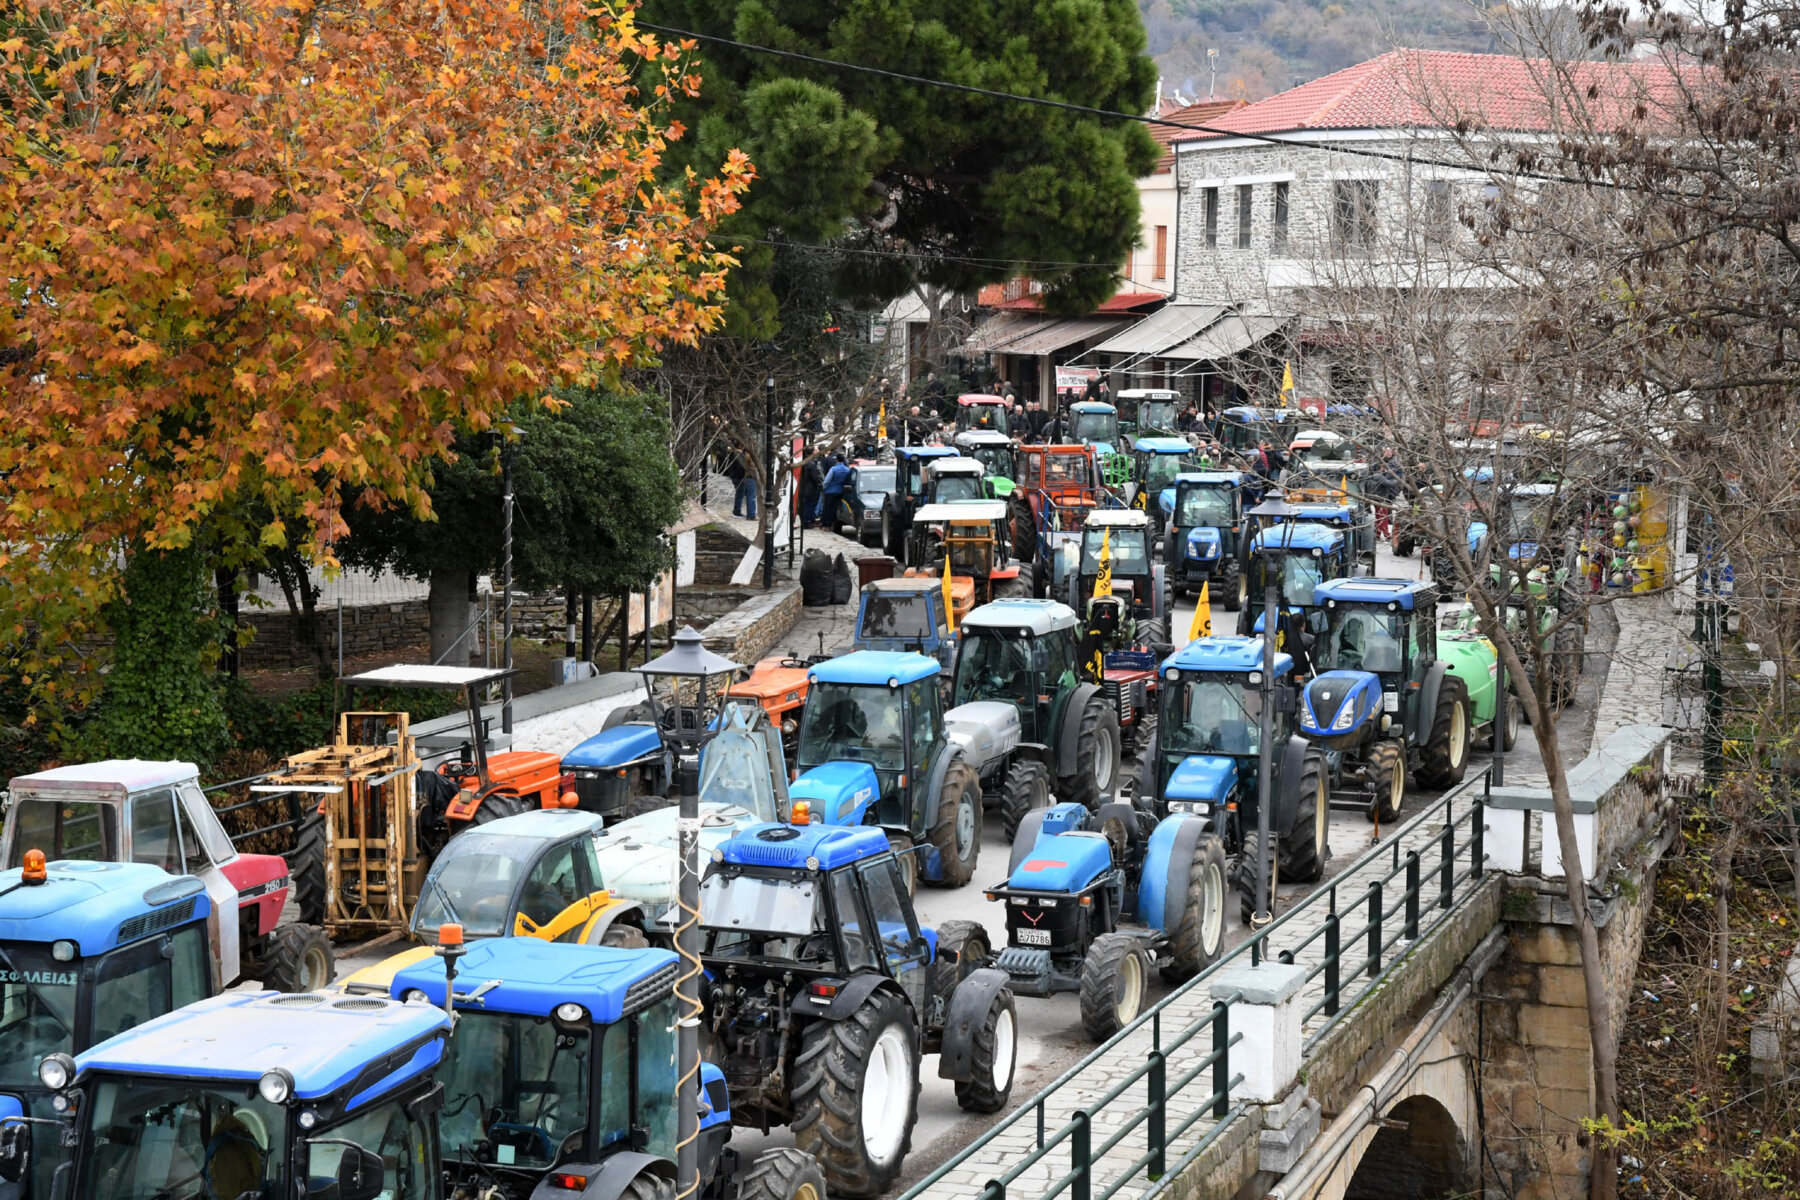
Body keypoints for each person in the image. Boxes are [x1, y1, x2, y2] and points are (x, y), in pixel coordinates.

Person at [818, 454, 852, 530]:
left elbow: (827, 480)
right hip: (840, 492)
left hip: (830, 491)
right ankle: (830, 525)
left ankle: (825, 524)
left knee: (827, 508)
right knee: (834, 508)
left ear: (837, 460)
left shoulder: (833, 469)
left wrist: (824, 488)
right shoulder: (847, 470)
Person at [800, 454, 826, 529]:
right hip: (811, 489)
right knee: (810, 506)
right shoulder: (811, 464)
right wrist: (817, 485)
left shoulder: (803, 463)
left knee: (806, 506)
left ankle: (806, 521)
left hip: (804, 488)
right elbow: (814, 478)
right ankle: (808, 521)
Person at [727, 452, 755, 519]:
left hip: (737, 477)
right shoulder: (739, 455)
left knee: (740, 494)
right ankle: (737, 511)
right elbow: (740, 467)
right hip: (739, 478)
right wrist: (742, 477)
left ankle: (737, 511)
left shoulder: (736, 453)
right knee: (741, 494)